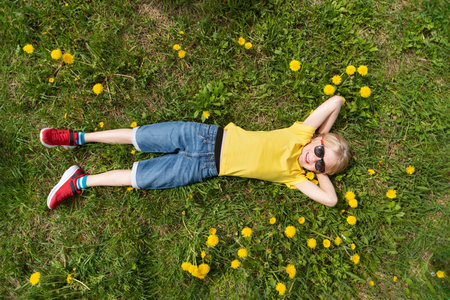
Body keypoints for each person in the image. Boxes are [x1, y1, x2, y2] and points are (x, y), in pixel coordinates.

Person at [40, 95, 350, 209]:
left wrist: (322, 167)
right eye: (320, 151)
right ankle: (78, 138)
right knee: (139, 137)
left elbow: (331, 199)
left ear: (318, 173)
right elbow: (335, 101)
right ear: (315, 141)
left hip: (201, 169)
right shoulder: (300, 134)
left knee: (140, 178)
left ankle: (79, 181)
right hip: (203, 136)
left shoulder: (295, 177)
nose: (315, 158)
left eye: (321, 165)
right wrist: (320, 134)